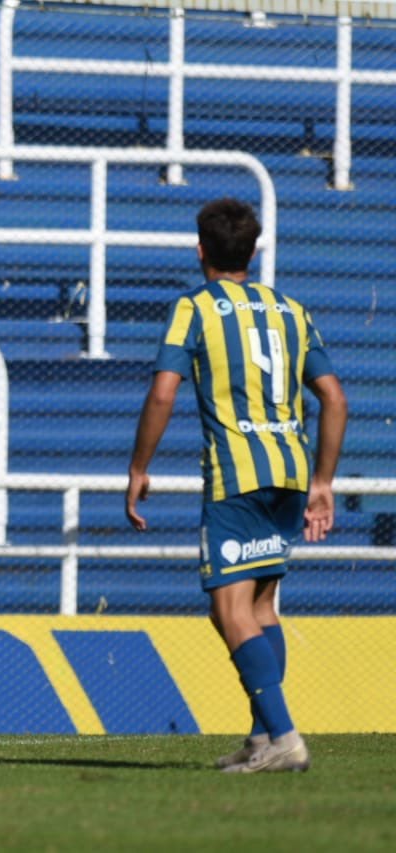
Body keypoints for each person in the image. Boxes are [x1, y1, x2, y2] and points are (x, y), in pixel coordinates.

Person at [125, 197, 347, 773]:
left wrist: (138, 469)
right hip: (291, 472)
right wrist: (323, 481)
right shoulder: (291, 310)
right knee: (260, 606)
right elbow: (335, 399)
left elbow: (164, 392)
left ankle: (284, 736)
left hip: (236, 476)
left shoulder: (193, 309)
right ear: (252, 251)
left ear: (200, 250)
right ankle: (263, 741)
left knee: (229, 610)